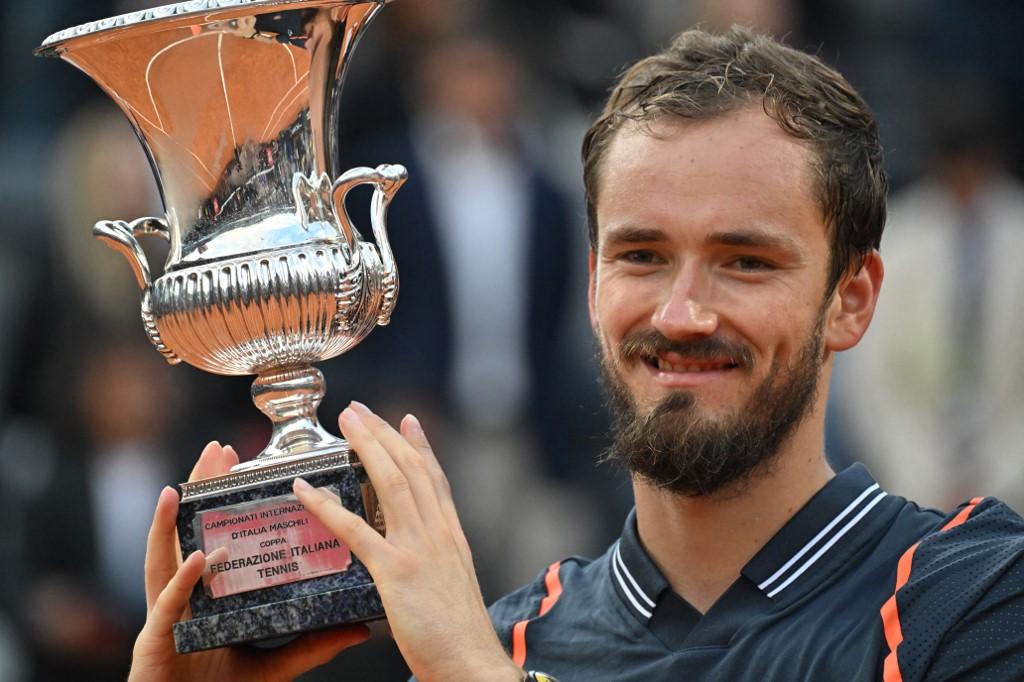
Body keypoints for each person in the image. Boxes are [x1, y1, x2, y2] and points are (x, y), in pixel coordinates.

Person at [125, 27, 1024, 682]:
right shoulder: (512, 640)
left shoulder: (970, 595)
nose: (682, 312)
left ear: (852, 298)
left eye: (745, 262)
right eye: (641, 256)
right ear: (592, 283)